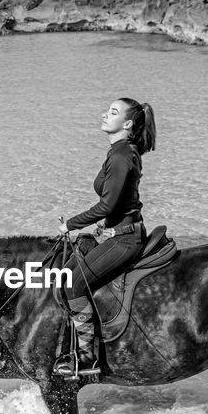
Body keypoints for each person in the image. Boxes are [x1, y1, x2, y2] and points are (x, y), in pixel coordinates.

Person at [55, 97, 157, 378]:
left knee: (73, 285)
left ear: (127, 123)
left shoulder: (122, 155)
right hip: (113, 234)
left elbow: (108, 206)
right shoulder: (118, 151)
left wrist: (72, 225)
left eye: (112, 112)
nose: (104, 114)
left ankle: (87, 359)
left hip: (125, 240)